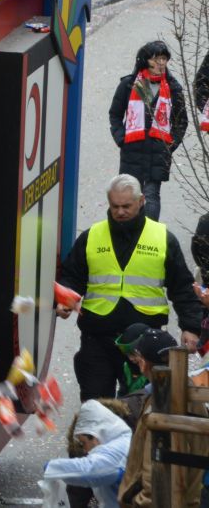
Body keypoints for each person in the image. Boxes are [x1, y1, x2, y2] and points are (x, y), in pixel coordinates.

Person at [56, 174, 202, 401]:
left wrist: (191, 327)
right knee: (97, 409)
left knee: (139, 409)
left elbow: (182, 287)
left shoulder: (162, 238)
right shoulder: (92, 237)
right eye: (115, 206)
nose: (120, 212)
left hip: (143, 344)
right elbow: (71, 276)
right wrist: (64, 300)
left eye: (126, 206)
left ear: (141, 201)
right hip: (97, 339)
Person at [117, 328, 209, 505]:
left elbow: (153, 474)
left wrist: (138, 502)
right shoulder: (190, 391)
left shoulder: (160, 407)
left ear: (143, 363)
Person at [108, 40, 188, 218]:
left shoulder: (173, 89)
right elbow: (115, 115)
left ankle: (147, 237)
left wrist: (169, 146)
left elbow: (181, 121)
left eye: (164, 58)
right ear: (145, 61)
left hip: (158, 154)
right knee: (129, 196)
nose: (161, 63)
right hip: (132, 152)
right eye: (156, 59)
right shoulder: (129, 85)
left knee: (151, 197)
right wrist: (121, 139)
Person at [41, 400, 133, 508]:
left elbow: (89, 470)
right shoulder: (123, 439)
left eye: (83, 443)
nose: (85, 450)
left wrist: (52, 467)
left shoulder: (116, 452)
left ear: (94, 434)